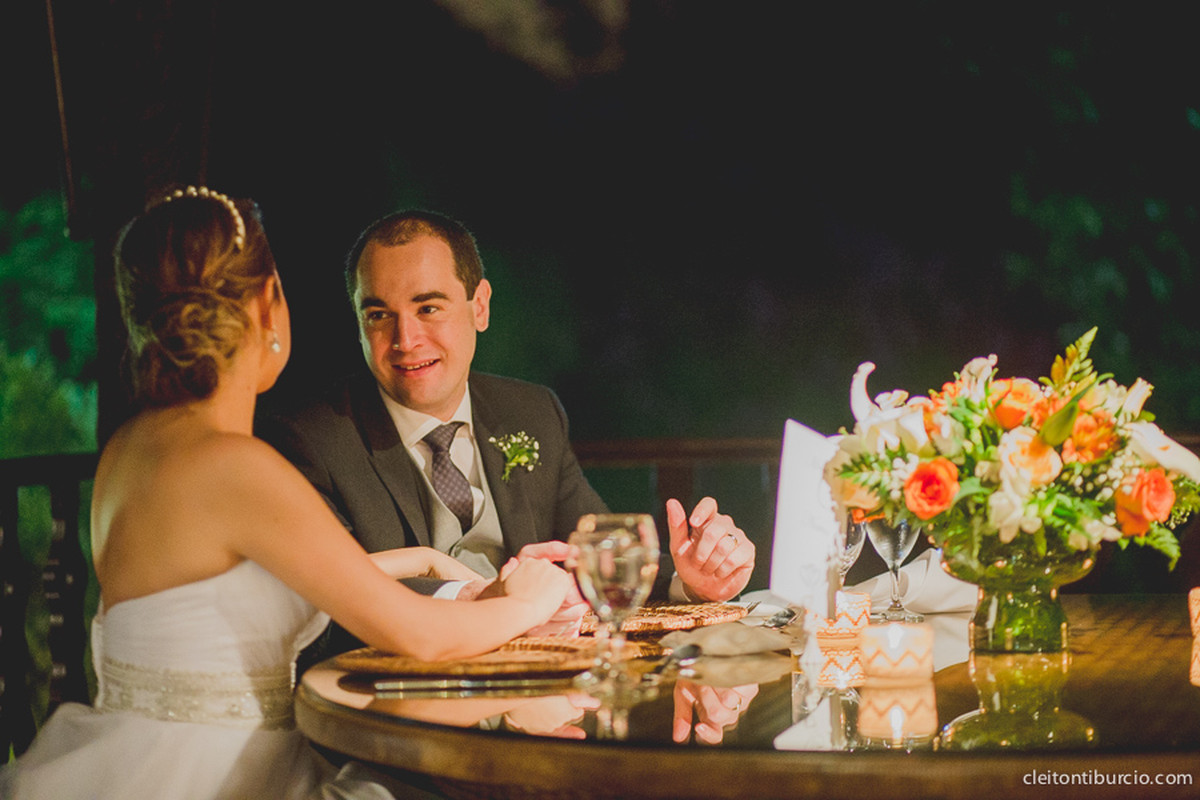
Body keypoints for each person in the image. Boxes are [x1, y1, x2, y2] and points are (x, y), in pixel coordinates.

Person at [0, 188, 572, 800]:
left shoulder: (135, 446)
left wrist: (427, 560)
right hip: (225, 781)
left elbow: (230, 594)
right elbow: (421, 636)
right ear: (268, 304)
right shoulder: (238, 467)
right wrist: (529, 604)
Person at [256, 210, 756, 623]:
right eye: (379, 315)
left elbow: (594, 555)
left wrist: (688, 579)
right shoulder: (312, 439)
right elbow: (327, 605)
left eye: (428, 308)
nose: (404, 340)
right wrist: (470, 600)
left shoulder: (532, 411)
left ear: (480, 307)